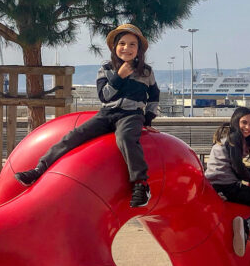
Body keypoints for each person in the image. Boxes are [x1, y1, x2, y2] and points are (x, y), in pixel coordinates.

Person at [13, 24, 160, 208]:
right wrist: (119, 76)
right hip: (107, 113)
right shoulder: (106, 69)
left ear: (139, 49)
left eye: (132, 44)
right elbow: (104, 96)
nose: (127, 48)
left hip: (131, 115)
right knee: (73, 136)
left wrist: (147, 118)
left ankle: (141, 185)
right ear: (114, 47)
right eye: (122, 43)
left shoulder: (146, 72)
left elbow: (154, 95)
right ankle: (39, 169)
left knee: (125, 138)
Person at [205, 107, 250, 256]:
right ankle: (246, 226)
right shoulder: (235, 138)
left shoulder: (227, 135)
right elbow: (237, 166)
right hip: (227, 187)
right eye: (244, 122)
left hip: (213, 184)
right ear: (235, 121)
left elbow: (234, 163)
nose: (248, 127)